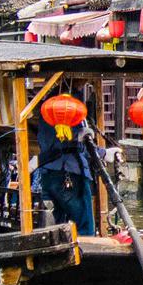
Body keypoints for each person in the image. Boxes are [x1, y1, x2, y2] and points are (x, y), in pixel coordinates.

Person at [31, 95, 99, 235]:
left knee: (57, 223)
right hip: (69, 173)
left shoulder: (47, 111)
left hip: (48, 173)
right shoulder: (72, 109)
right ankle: (85, 245)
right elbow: (79, 146)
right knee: (84, 225)